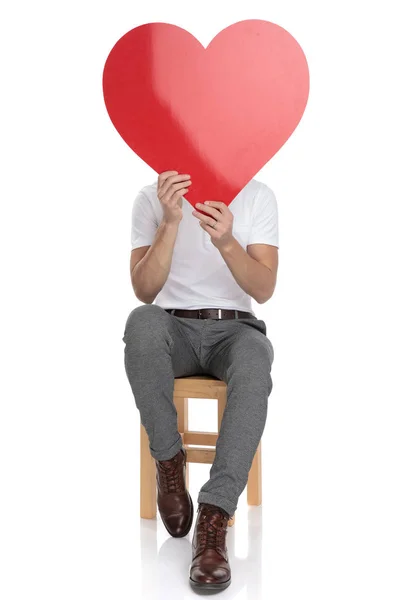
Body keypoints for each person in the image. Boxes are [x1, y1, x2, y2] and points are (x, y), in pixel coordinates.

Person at [122, 170, 278, 592]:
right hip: (174, 330)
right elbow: (144, 289)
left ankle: (214, 515)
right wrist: (170, 221)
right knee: (141, 323)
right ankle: (170, 463)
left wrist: (226, 240)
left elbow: (264, 289)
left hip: (236, 329)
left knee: (255, 359)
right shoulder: (150, 199)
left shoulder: (258, 196)